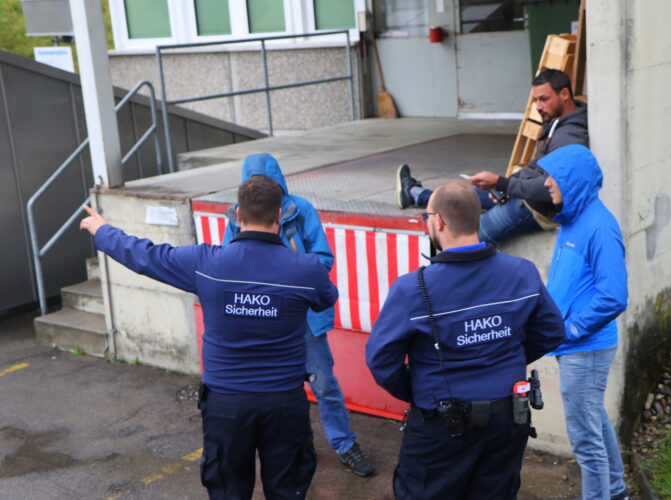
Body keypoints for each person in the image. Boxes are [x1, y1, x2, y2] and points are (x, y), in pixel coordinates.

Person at [79, 176, 338, 500]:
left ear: (238, 215)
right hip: (283, 404)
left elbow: (145, 256)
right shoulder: (306, 270)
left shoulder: (206, 263)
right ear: (280, 216)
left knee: (228, 491)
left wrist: (103, 230)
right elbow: (326, 299)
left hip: (225, 405)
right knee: (287, 490)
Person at [366, 181, 566, 499]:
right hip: (506, 420)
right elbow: (551, 331)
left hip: (440, 424)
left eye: (426, 216)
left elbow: (381, 360)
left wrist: (420, 392)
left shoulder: (411, 289)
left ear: (439, 221)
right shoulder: (522, 273)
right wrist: (503, 358)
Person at [221, 153, 374, 477]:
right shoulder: (236, 214)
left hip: (303, 320)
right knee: (275, 391)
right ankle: (293, 447)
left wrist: (287, 273)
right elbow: (229, 261)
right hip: (261, 319)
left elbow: (324, 258)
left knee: (324, 385)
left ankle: (344, 444)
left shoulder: (301, 209)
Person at [396, 69, 588, 245]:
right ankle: (414, 194)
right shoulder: (558, 120)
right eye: (536, 100)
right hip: (525, 194)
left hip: (536, 209)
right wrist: (505, 185)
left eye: (543, 99)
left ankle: (425, 213)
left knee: (463, 235)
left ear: (564, 94)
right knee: (461, 198)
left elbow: (552, 189)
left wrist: (504, 184)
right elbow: (537, 165)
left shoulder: (569, 136)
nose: (538, 106)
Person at [538, 144, 630, 500]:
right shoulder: (573, 219)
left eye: (554, 176)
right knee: (595, 421)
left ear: (573, 180)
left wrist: (570, 329)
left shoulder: (599, 227)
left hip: (585, 348)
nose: (547, 183)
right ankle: (616, 491)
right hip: (575, 346)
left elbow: (614, 296)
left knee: (585, 440)